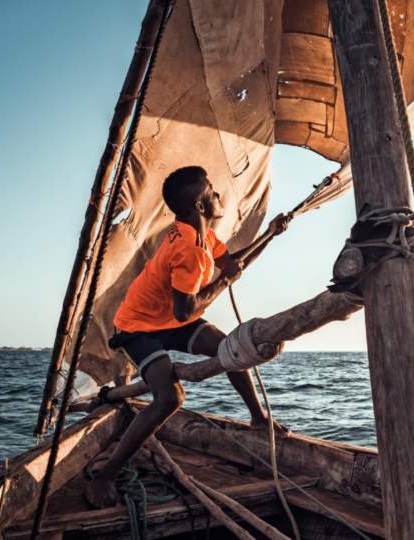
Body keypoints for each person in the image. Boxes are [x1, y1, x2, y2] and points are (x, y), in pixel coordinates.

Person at [86, 166, 291, 508]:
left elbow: (231, 266)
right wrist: (225, 281)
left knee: (231, 349)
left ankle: (258, 419)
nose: (218, 196)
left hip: (168, 317)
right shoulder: (190, 248)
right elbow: (187, 310)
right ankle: (105, 477)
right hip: (137, 327)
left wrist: (270, 234)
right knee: (170, 398)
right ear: (200, 205)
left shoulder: (202, 235)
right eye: (212, 192)